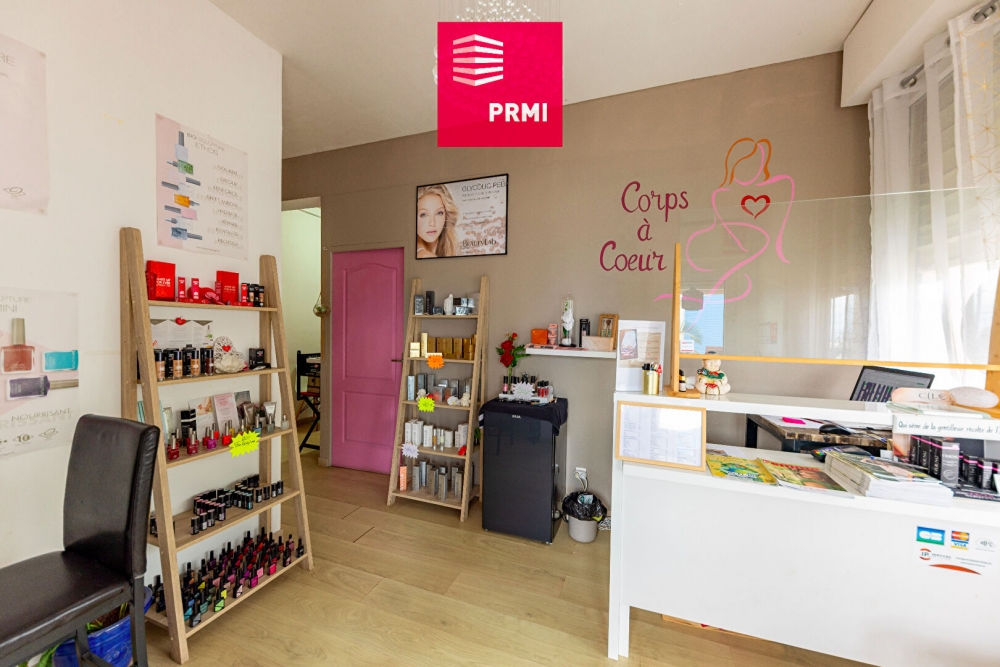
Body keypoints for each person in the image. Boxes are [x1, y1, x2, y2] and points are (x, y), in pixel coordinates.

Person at [416, 184, 459, 258]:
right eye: (423, 215)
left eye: (439, 213)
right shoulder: (425, 256)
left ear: (446, 215)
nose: (432, 223)